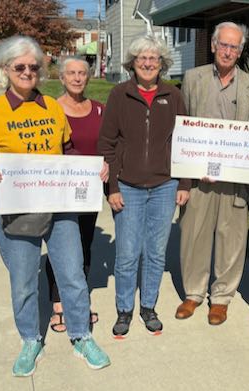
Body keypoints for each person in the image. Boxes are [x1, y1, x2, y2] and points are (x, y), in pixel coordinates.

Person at [0, 36, 110, 376]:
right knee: (24, 281)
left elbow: (67, 150)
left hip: (59, 206)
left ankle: (81, 335)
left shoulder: (53, 107)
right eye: (20, 66)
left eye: (33, 66)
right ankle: (30, 339)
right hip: (16, 211)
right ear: (5, 70)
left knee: (72, 274)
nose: (27, 72)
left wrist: (89, 169)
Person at [97, 35, 190, 339]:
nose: (148, 63)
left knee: (155, 252)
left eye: (154, 58)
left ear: (162, 63)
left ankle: (148, 307)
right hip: (128, 186)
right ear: (132, 64)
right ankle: (125, 309)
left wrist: (184, 182)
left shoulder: (173, 96)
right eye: (142, 58)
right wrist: (112, 187)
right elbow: (107, 143)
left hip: (165, 186)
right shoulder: (119, 95)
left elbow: (184, 142)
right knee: (126, 253)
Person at [175, 21, 249, 325]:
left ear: (240, 51)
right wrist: (187, 172)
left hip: (235, 177)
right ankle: (194, 293)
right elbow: (182, 124)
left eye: (234, 46)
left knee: (232, 237)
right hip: (200, 177)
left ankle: (222, 297)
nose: (228, 51)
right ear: (213, 45)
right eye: (223, 44)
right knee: (193, 233)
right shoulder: (193, 78)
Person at [46, 56, 104, 333]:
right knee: (60, 247)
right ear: (62, 78)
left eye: (82, 73)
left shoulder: (100, 111)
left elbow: (109, 147)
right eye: (72, 73)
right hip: (58, 191)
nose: (78, 78)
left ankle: (78, 301)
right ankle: (58, 304)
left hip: (87, 192)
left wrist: (108, 166)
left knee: (83, 247)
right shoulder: (48, 109)